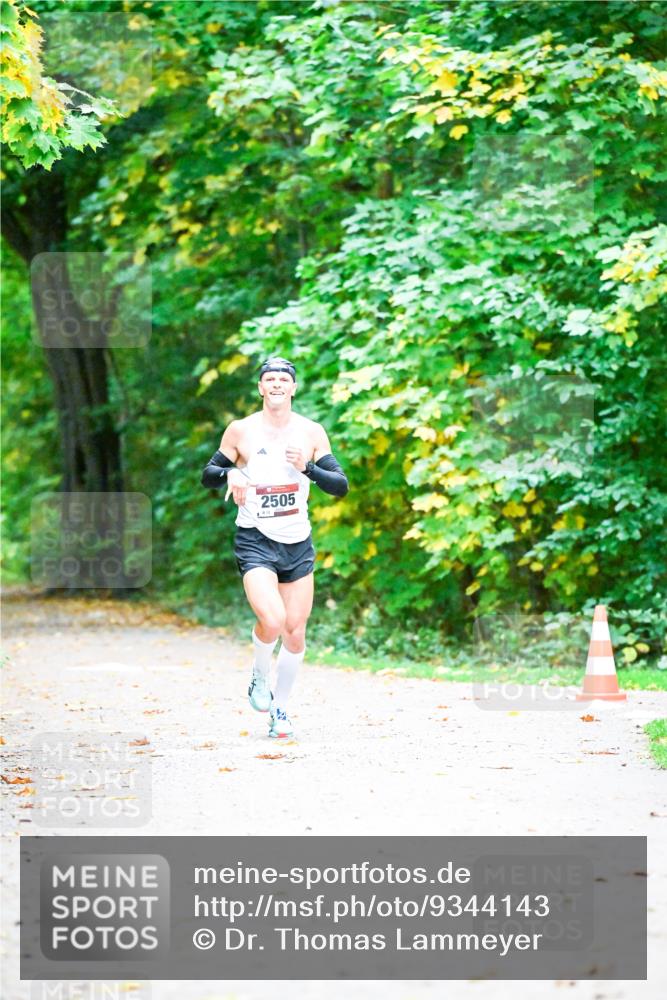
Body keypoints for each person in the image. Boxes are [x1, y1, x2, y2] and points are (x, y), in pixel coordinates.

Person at [201, 357, 349, 738]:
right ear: (261, 388)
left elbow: (340, 485)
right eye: (270, 379)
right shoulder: (241, 431)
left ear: (294, 388)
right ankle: (258, 674)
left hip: (298, 542)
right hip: (255, 540)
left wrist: (308, 470)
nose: (277, 384)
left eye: (284, 379)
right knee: (273, 620)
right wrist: (232, 472)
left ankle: (280, 710)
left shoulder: (311, 432)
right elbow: (208, 475)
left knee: (295, 631)